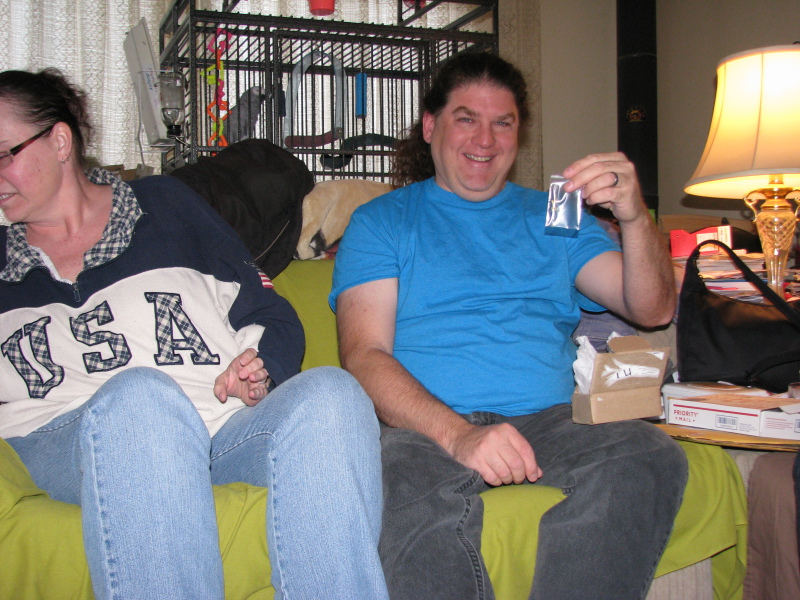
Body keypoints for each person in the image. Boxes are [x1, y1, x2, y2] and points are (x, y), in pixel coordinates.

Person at [0, 68, 388, 600]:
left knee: (333, 394)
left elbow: (270, 314)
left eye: (4, 154)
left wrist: (260, 370)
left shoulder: (165, 207)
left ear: (60, 141)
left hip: (217, 428)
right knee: (142, 400)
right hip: (63, 442)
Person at [330, 52, 688, 600]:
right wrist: (460, 435)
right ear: (430, 126)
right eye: (466, 118)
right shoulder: (383, 221)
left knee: (648, 454)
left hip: (549, 419)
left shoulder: (556, 214)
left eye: (503, 123)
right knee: (402, 491)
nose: (486, 139)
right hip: (422, 430)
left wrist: (634, 215)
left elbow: (653, 309)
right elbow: (364, 354)